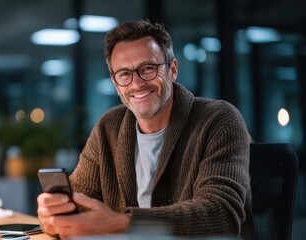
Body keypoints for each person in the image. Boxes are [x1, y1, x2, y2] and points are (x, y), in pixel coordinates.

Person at [37, 19, 252, 239]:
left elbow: (221, 214)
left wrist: (121, 223)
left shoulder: (219, 119)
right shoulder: (108, 126)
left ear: (172, 70)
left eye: (147, 69)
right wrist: (55, 215)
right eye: (124, 74)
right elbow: (80, 203)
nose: (137, 83)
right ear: (115, 83)